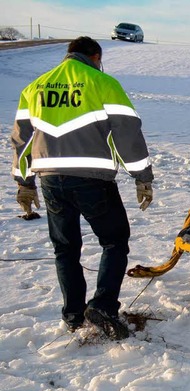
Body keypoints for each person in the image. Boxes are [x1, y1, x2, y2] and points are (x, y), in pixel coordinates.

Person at [10, 36, 154, 340]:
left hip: (50, 180)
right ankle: (102, 306)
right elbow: (127, 132)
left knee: (65, 248)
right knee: (114, 240)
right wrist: (142, 176)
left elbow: (21, 141)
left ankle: (74, 314)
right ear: (96, 56)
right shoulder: (102, 82)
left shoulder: (35, 87)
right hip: (92, 180)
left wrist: (24, 183)